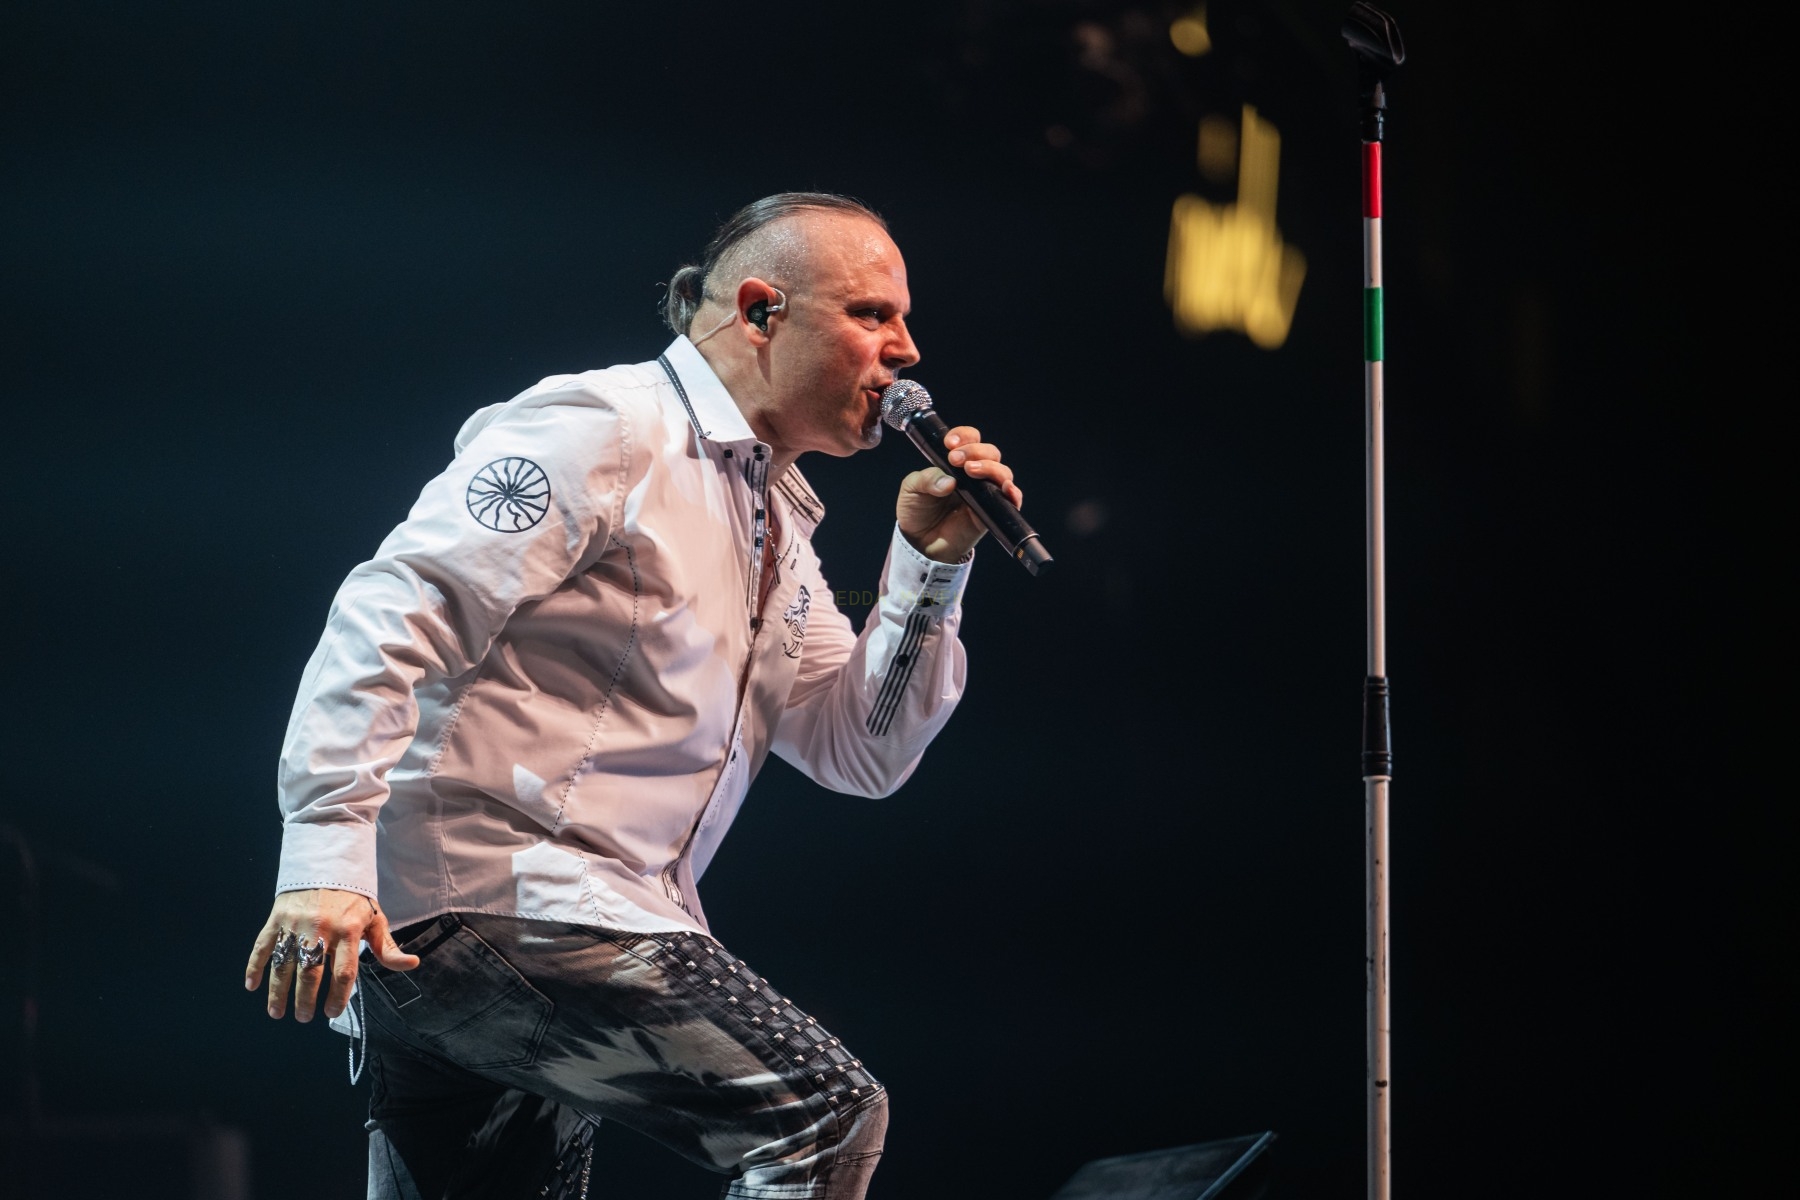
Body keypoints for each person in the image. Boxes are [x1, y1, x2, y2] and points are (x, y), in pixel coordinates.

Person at [241, 192, 1022, 1199]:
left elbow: (859, 752)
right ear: (760, 310)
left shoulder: (776, 524)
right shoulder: (609, 427)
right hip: (507, 903)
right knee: (822, 1117)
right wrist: (322, 857)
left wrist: (929, 565)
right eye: (873, 314)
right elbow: (395, 609)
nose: (906, 350)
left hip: (506, 928)